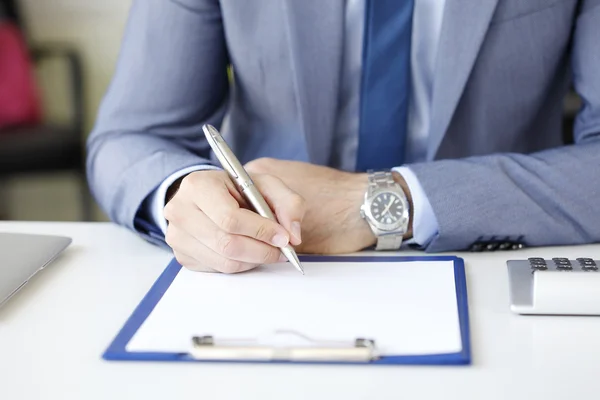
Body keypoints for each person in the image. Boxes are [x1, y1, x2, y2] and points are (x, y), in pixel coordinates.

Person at [87, 0, 600, 274]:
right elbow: (130, 136)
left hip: (491, 262)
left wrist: (382, 201)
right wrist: (185, 191)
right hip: (270, 267)